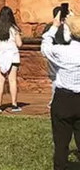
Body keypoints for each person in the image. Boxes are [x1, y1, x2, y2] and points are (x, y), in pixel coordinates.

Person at [42, 11, 80, 170]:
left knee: (61, 142)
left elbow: (45, 47)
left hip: (63, 99)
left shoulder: (61, 51)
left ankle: (60, 167)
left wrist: (54, 26)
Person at [0, 6, 23, 113]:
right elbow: (19, 44)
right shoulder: (14, 28)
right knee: (12, 80)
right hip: (12, 55)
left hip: (0, 55)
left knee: (0, 80)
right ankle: (14, 104)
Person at [45, 6, 72, 107]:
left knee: (55, 79)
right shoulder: (66, 27)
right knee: (58, 79)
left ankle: (55, 100)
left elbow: (46, 41)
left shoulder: (51, 27)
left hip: (54, 55)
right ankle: (55, 100)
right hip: (61, 55)